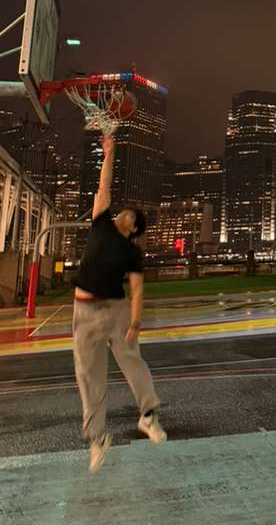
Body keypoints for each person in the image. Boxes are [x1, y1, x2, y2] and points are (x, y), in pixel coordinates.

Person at [72, 133, 167, 472]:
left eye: (129, 214)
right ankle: (97, 439)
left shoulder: (132, 251)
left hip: (115, 310)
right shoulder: (100, 220)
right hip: (83, 311)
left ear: (134, 227)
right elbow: (105, 181)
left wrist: (136, 322)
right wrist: (109, 152)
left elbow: (138, 291)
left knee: (132, 363)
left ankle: (148, 416)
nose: (122, 212)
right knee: (88, 375)